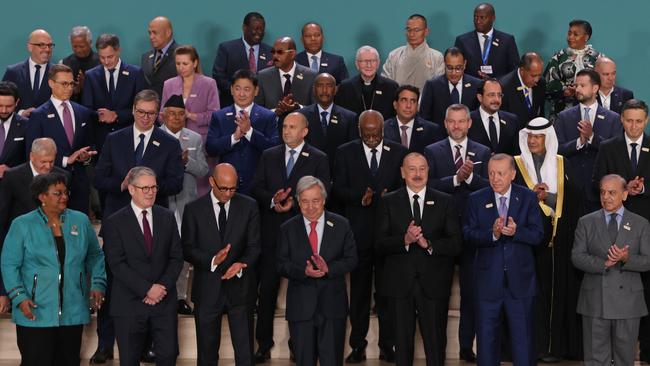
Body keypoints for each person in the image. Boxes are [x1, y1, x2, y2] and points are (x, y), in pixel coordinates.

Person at [91, 90, 184, 363]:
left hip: (154, 222)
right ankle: (106, 343)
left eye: (152, 114)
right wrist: (123, 186)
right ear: (133, 110)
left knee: (153, 273)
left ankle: (147, 344)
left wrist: (147, 186)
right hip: (118, 220)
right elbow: (99, 178)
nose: (146, 117)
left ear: (159, 114)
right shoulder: (114, 139)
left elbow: (176, 183)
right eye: (142, 112)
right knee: (115, 284)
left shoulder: (168, 143)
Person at [1, 172, 106, 366]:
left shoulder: (80, 221)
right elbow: (9, 264)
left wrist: (98, 283)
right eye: (57, 193)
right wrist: (19, 297)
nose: (64, 197)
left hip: (73, 311)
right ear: (42, 197)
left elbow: (95, 255)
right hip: (34, 311)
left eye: (66, 192)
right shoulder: (22, 224)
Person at [250, 112, 330, 362]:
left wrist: (294, 204)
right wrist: (273, 200)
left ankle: (301, 344)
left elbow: (323, 195)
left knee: (304, 292)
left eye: (292, 127)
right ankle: (263, 344)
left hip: (304, 234)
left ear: (305, 131)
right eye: (284, 126)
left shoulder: (318, 158)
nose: (287, 131)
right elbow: (256, 187)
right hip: (272, 231)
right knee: (267, 291)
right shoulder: (269, 155)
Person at [333, 110, 407, 362]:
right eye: (368, 133)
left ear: (383, 131)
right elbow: (338, 190)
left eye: (376, 133)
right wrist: (358, 197)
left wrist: (391, 199)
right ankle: (358, 345)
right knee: (360, 294)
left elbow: (405, 190)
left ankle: (388, 345)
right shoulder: (345, 152)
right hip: (359, 234)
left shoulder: (399, 153)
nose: (372, 137)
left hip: (389, 236)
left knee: (387, 292)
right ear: (359, 130)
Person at [377, 152, 462, 366]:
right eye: (412, 169)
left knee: (435, 344)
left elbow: (456, 243)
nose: (417, 174)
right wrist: (404, 239)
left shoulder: (445, 201)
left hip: (433, 284)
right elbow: (378, 243)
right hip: (399, 284)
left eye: (422, 169)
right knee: (402, 347)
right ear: (403, 172)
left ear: (428, 171)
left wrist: (429, 244)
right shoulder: (388, 201)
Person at [423, 104, 491, 362]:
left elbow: (489, 187)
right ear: (445, 122)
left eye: (462, 121)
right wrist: (455, 179)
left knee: (471, 293)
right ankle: (436, 345)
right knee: (437, 293)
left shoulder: (483, 151)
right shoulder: (432, 151)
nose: (457, 126)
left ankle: (466, 346)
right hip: (440, 233)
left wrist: (470, 178)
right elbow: (425, 184)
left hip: (472, 233)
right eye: (452, 122)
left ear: (469, 123)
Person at [513, 117, 584, 361]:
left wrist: (550, 197)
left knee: (554, 296)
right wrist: (531, 197)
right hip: (524, 244)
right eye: (530, 137)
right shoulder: (516, 165)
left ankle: (553, 347)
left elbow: (575, 201)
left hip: (557, 246)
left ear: (548, 138)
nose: (533, 141)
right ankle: (528, 347)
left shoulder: (563, 164)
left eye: (538, 137)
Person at [463, 153, 544, 366]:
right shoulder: (476, 199)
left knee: (523, 345)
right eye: (491, 173)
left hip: (521, 286)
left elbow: (537, 235)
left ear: (513, 174)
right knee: (487, 347)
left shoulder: (527, 198)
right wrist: (493, 234)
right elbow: (468, 235)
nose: (495, 178)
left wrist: (517, 232)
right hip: (487, 285)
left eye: (500, 173)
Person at [102, 166, 183, 366]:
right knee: (129, 360)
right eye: (144, 188)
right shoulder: (114, 222)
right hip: (129, 304)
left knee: (168, 356)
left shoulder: (167, 217)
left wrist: (161, 287)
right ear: (131, 189)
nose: (150, 192)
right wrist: (147, 289)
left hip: (163, 302)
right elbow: (116, 264)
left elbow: (176, 257)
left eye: (153, 188)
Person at [182, 163, 260, 366]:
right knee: (207, 354)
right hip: (207, 289)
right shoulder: (193, 209)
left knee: (245, 354)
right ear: (211, 182)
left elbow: (254, 246)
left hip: (240, 290)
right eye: (224, 188)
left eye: (233, 188)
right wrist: (212, 260)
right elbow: (187, 248)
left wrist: (241, 263)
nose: (228, 193)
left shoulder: (249, 206)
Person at [277, 175, 358, 366]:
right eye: (305, 201)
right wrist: (303, 272)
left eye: (315, 201)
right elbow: (281, 264)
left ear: (324, 200)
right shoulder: (287, 229)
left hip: (332, 307)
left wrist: (328, 268)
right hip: (301, 308)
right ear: (298, 201)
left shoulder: (341, 225)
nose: (310, 206)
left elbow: (352, 260)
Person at [591, 99, 650, 360]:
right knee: (613, 289)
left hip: (646, 230)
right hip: (613, 231)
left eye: (639, 121)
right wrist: (624, 189)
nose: (634, 126)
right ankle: (614, 354)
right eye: (629, 120)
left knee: (647, 289)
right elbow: (597, 184)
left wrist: (642, 189)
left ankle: (647, 349)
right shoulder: (608, 147)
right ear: (621, 120)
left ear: (646, 120)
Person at [572, 174, 650, 365]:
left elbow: (648, 261)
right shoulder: (586, 222)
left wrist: (626, 259)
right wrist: (602, 264)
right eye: (603, 192)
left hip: (628, 304)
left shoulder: (641, 224)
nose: (606, 197)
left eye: (612, 192)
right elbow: (577, 257)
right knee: (595, 359)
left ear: (625, 195)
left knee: (625, 359)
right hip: (595, 302)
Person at [0, 138, 68, 313]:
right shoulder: (13, 177)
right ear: (31, 156)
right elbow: (2, 217)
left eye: (51, 161)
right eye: (43, 162)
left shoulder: (63, 177)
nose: (47, 166)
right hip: (23, 249)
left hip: (53, 249)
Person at [25, 64, 97, 213]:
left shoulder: (83, 112)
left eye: (71, 83)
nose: (69, 88)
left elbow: (91, 146)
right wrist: (65, 160)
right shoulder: (39, 116)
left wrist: (86, 158)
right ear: (51, 83)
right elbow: (31, 155)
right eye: (64, 83)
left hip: (79, 186)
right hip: (51, 187)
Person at [161, 94, 209, 315]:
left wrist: (186, 161)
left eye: (181, 114)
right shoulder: (156, 136)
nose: (176, 117)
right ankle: (161, 292)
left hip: (185, 201)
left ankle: (180, 296)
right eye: (172, 113)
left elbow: (203, 171)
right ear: (163, 115)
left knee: (181, 251)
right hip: (161, 201)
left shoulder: (194, 138)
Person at [554, 69, 621, 212]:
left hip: (600, 191)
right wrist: (579, 142)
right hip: (570, 189)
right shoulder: (563, 117)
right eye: (576, 85)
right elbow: (557, 150)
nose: (577, 89)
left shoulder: (613, 118)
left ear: (595, 88)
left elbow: (615, 153)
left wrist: (592, 138)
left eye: (582, 86)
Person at [205, 69, 278, 195]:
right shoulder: (219, 116)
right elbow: (210, 148)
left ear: (256, 91)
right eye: (238, 89)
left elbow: (274, 148)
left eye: (247, 89)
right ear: (232, 89)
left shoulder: (268, 116)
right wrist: (234, 137)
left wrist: (249, 131)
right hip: (226, 187)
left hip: (258, 185)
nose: (242, 94)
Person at [160, 45, 220, 196]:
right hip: (173, 141)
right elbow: (162, 114)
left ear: (195, 63)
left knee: (199, 188)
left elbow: (215, 115)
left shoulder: (208, 83)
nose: (181, 68)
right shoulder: (169, 84)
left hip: (200, 143)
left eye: (185, 63)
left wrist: (191, 115)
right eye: (178, 63)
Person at [82, 33, 147, 152]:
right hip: (101, 141)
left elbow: (142, 108)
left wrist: (116, 115)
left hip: (129, 139)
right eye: (102, 57)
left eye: (110, 57)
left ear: (118, 51)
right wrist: (100, 115)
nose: (106, 61)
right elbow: (87, 109)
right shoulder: (91, 76)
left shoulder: (135, 73)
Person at [298, 73, 358, 173]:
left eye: (329, 86)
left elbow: (352, 152)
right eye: (320, 86)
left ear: (335, 90)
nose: (324, 90)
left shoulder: (350, 118)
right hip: (308, 174)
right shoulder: (301, 116)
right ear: (314, 89)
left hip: (338, 175)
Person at [544, 19, 603, 119]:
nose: (570, 37)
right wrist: (564, 91)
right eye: (569, 33)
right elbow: (546, 86)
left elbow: (604, 84)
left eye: (575, 34)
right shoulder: (558, 57)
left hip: (591, 112)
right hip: (562, 112)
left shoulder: (597, 58)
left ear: (586, 37)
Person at [212, 12, 273, 106]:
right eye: (255, 29)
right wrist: (239, 93)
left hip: (262, 107)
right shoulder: (227, 48)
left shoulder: (270, 52)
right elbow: (218, 76)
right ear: (244, 28)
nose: (259, 32)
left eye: (262, 29)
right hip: (232, 104)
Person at [255, 37, 316, 119]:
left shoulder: (311, 76)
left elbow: (315, 108)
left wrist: (298, 107)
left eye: (280, 52)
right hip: (273, 128)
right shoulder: (263, 76)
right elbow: (257, 110)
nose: (275, 56)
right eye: (273, 52)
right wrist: (275, 112)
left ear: (293, 54)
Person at [454, 3, 519, 79]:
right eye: (475, 17)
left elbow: (514, 71)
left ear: (493, 18)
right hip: (472, 89)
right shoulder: (462, 41)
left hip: (499, 88)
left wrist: (495, 82)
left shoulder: (507, 40)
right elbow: (457, 69)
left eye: (482, 18)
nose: (478, 21)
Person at [419, 47, 481, 127]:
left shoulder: (476, 85)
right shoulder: (432, 86)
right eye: (450, 68)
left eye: (458, 68)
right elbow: (424, 119)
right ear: (444, 64)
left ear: (465, 64)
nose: (454, 73)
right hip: (439, 137)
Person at [381, 14, 444, 91]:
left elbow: (439, 87)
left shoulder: (437, 57)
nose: (411, 34)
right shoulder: (394, 55)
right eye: (409, 30)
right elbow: (385, 84)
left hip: (426, 102)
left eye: (416, 30)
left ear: (426, 31)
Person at [336, 45, 399, 120]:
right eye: (364, 61)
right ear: (357, 64)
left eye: (373, 61)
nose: (369, 65)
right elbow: (340, 116)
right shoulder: (345, 87)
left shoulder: (391, 87)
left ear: (378, 63)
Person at [2, 29, 53, 117]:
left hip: (48, 128)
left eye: (50, 45)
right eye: (42, 45)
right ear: (30, 47)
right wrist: (20, 113)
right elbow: (2, 101)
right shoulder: (13, 72)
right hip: (19, 128)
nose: (47, 49)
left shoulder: (57, 73)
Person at [384, 85, 443, 154]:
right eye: (404, 100)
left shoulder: (432, 130)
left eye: (413, 101)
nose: (408, 106)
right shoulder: (383, 129)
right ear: (395, 105)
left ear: (417, 107)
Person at [469, 78, 521, 155]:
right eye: (491, 95)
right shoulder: (467, 120)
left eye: (499, 95)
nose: (497, 99)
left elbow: (516, 154)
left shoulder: (512, 120)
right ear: (480, 97)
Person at [500, 52, 546, 125]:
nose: (536, 79)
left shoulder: (541, 83)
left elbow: (540, 112)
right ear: (522, 71)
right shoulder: (504, 87)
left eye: (539, 75)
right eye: (533, 76)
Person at [141, 16, 178, 97]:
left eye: (155, 33)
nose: (151, 37)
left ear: (168, 33)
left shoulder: (180, 55)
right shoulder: (146, 57)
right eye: (149, 33)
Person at [61, 26, 100, 102]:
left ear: (90, 43)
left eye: (82, 46)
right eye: (74, 46)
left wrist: (86, 86)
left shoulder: (101, 62)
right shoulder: (64, 64)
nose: (78, 50)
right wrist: (74, 91)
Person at [0, 81, 28, 174]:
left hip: (13, 184)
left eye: (8, 106)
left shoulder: (26, 125)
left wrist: (12, 172)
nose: (3, 110)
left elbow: (31, 159)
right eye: (0, 106)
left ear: (17, 102)